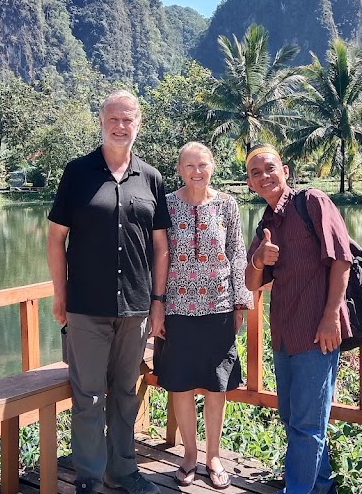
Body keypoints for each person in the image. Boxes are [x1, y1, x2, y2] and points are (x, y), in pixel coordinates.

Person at [47, 90, 169, 494]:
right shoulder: (77, 173)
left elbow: (161, 246)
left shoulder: (150, 177)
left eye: (128, 119)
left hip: (135, 307)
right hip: (85, 307)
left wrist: (156, 302)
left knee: (125, 392)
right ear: (102, 121)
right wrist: (60, 294)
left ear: (139, 124)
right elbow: (55, 239)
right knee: (88, 396)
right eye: (113, 118)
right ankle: (88, 475)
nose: (121, 126)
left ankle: (123, 470)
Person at [244, 143, 352, 494]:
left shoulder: (312, 202)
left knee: (307, 425)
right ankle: (322, 487)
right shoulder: (267, 223)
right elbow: (251, 282)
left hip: (317, 332)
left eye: (270, 168)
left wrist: (331, 317)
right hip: (284, 334)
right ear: (249, 183)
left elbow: (342, 260)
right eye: (255, 173)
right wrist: (260, 258)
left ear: (285, 171)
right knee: (293, 418)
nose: (264, 177)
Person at [150, 142, 252, 490]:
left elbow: (237, 254)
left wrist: (241, 302)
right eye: (190, 165)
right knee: (179, 383)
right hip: (178, 308)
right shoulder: (166, 204)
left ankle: (213, 456)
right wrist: (157, 304)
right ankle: (189, 456)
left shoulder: (227, 205)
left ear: (213, 167)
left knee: (215, 385)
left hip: (219, 307)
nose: (197, 171)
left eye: (203, 165)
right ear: (179, 169)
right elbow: (158, 256)